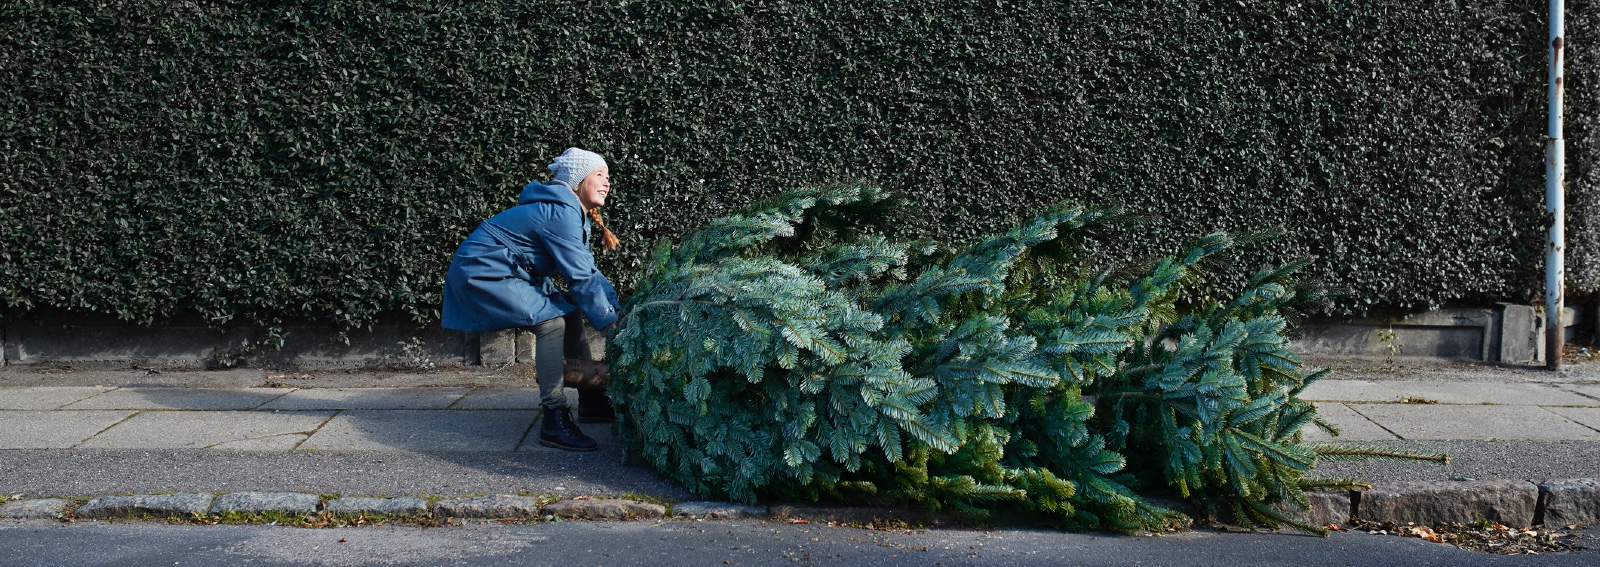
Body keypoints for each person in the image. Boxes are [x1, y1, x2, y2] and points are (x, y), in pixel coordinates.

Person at [442, 147, 622, 452]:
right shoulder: (562, 212)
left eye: (607, 176)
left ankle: (591, 398)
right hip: (482, 269)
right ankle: (554, 418)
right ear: (578, 181)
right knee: (550, 322)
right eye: (599, 175)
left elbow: (588, 272)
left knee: (569, 311)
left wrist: (615, 308)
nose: (607, 183)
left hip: (504, 269)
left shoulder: (571, 212)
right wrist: (612, 322)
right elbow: (580, 278)